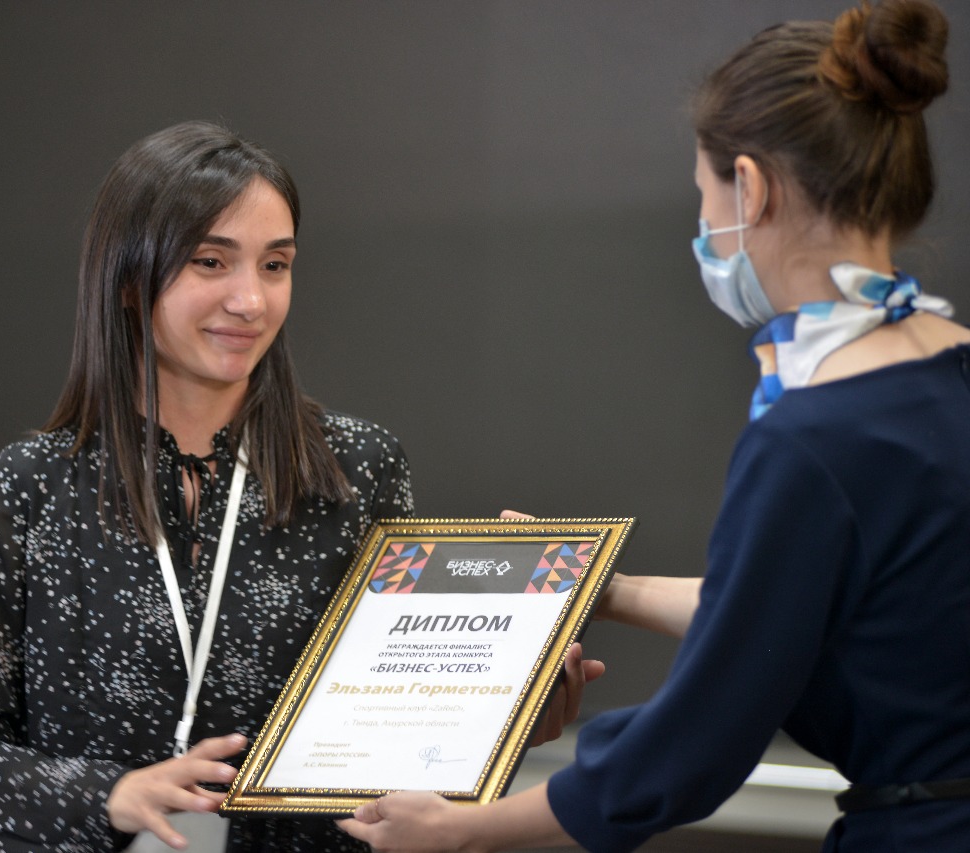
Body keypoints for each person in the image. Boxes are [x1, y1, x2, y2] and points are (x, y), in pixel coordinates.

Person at [340, 1, 970, 851]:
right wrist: (611, 589)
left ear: (750, 187)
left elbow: (697, 738)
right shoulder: (942, 376)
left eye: (705, 198)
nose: (705, 227)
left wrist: (470, 828)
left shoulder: (811, 437)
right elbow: (805, 609)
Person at [0, 120, 605, 852]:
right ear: (127, 279)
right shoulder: (32, 487)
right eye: (211, 262)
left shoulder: (356, 470)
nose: (251, 300)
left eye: (275, 265)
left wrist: (501, 719)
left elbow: (400, 735)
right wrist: (107, 796)